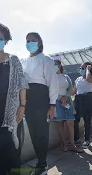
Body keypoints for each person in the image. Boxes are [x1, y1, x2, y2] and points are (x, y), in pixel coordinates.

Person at [0, 23, 29, 175]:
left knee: (12, 149)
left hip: (12, 111)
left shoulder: (14, 60)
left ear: (6, 40)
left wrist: (22, 106)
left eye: (0, 38)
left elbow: (22, 84)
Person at [21, 32, 58, 175]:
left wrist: (52, 105)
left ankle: (42, 164)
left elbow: (52, 82)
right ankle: (39, 161)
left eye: (33, 40)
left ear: (40, 43)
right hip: (28, 100)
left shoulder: (46, 59)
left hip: (41, 99)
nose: (30, 42)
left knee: (42, 134)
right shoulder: (23, 61)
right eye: (27, 40)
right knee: (33, 133)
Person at [52, 57, 83, 153]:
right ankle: (64, 144)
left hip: (67, 100)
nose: (55, 66)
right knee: (59, 123)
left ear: (60, 65)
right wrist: (59, 98)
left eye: (57, 64)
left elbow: (70, 88)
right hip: (56, 101)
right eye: (53, 64)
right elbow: (49, 90)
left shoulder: (66, 76)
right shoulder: (50, 78)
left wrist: (66, 97)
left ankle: (72, 145)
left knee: (70, 123)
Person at [73, 62, 92, 148]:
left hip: (87, 99)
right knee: (75, 120)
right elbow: (74, 91)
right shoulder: (78, 79)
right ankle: (76, 139)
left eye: (83, 68)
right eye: (80, 68)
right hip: (78, 100)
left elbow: (88, 78)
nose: (81, 70)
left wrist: (88, 69)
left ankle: (87, 140)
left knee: (87, 121)